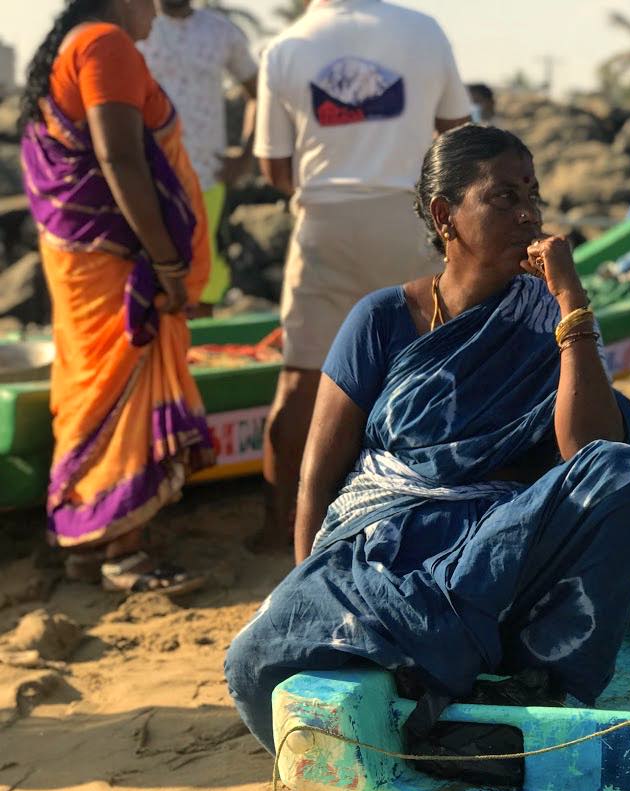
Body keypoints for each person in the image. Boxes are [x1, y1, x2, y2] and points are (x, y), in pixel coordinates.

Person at [225, 125, 630, 753]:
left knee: (620, 474)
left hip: (495, 552)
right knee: (269, 645)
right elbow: (319, 472)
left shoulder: (547, 321)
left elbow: (590, 452)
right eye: (504, 198)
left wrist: (571, 300)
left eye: (533, 198)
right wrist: (306, 577)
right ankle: (432, 651)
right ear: (445, 214)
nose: (527, 215)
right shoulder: (380, 318)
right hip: (387, 550)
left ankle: (526, 683)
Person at [252, 0, 473, 549]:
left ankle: (281, 528)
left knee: (301, 377)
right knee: (434, 367)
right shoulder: (423, 29)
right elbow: (458, 138)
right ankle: (431, 509)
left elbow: (276, 168)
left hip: (324, 220)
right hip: (410, 217)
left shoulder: (285, 47)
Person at [20, 0, 213, 593]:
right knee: (120, 380)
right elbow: (119, 154)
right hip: (116, 261)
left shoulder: (75, 45)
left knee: (91, 384)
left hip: (84, 256)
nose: (158, 13)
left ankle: (88, 541)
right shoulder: (105, 43)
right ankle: (124, 552)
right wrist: (164, 258)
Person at [139, 0, 258, 312]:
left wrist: (244, 156)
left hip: (206, 175)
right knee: (149, 275)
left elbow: (260, 93)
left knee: (203, 274)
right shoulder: (136, 26)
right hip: (143, 176)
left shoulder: (221, 31)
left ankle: (198, 351)